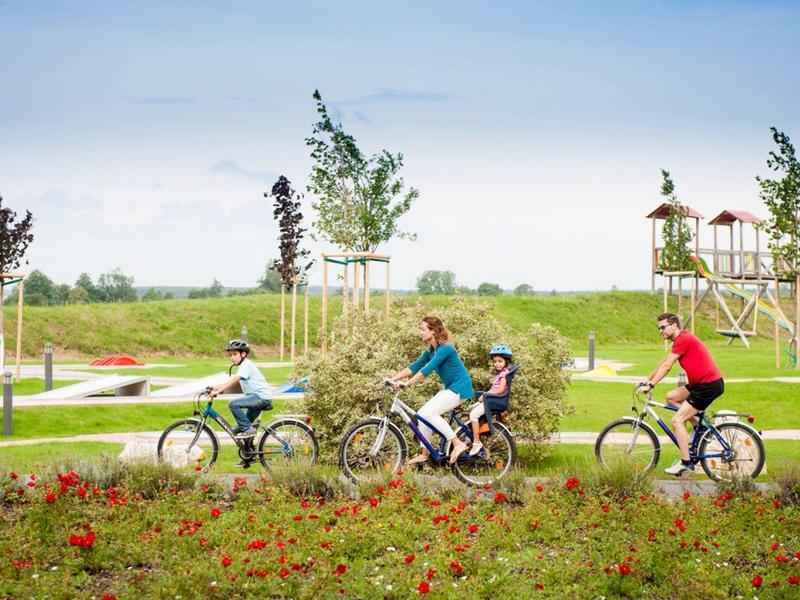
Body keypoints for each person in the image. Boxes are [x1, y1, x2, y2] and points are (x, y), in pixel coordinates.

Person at [637, 313, 724, 476]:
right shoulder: (680, 340)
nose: (660, 330)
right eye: (659, 328)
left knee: (677, 421)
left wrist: (651, 385)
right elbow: (664, 362)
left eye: (663, 327)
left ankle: (686, 463)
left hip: (707, 385)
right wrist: (648, 380)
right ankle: (700, 427)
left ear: (674, 325)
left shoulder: (683, 339)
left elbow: (668, 366)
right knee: (671, 397)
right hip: (700, 384)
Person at [386, 316, 473, 465]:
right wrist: (392, 379)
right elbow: (414, 366)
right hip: (451, 389)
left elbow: (426, 370)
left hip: (460, 389)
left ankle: (458, 444)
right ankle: (425, 453)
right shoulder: (431, 350)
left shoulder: (445, 348)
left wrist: (407, 384)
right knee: (422, 415)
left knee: (428, 413)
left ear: (433, 331)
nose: (420, 332)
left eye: (423, 329)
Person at [211, 339, 272, 467]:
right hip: (255, 398)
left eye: (234, 354)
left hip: (260, 398)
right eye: (230, 355)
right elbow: (235, 384)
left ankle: (249, 430)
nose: (232, 358)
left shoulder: (246, 365)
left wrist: (219, 390)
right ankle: (247, 455)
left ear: (243, 354)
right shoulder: (244, 367)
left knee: (233, 404)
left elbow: (235, 380)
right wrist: (217, 389)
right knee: (239, 429)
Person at [465, 345, 512, 456]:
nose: (497, 364)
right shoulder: (500, 374)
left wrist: (486, 394)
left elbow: (500, 390)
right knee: (469, 410)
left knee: (473, 415)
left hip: (493, 401)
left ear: (506, 361)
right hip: (490, 400)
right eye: (495, 361)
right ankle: (471, 435)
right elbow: (493, 388)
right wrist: (484, 396)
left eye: (500, 361)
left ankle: (476, 442)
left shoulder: (504, 375)